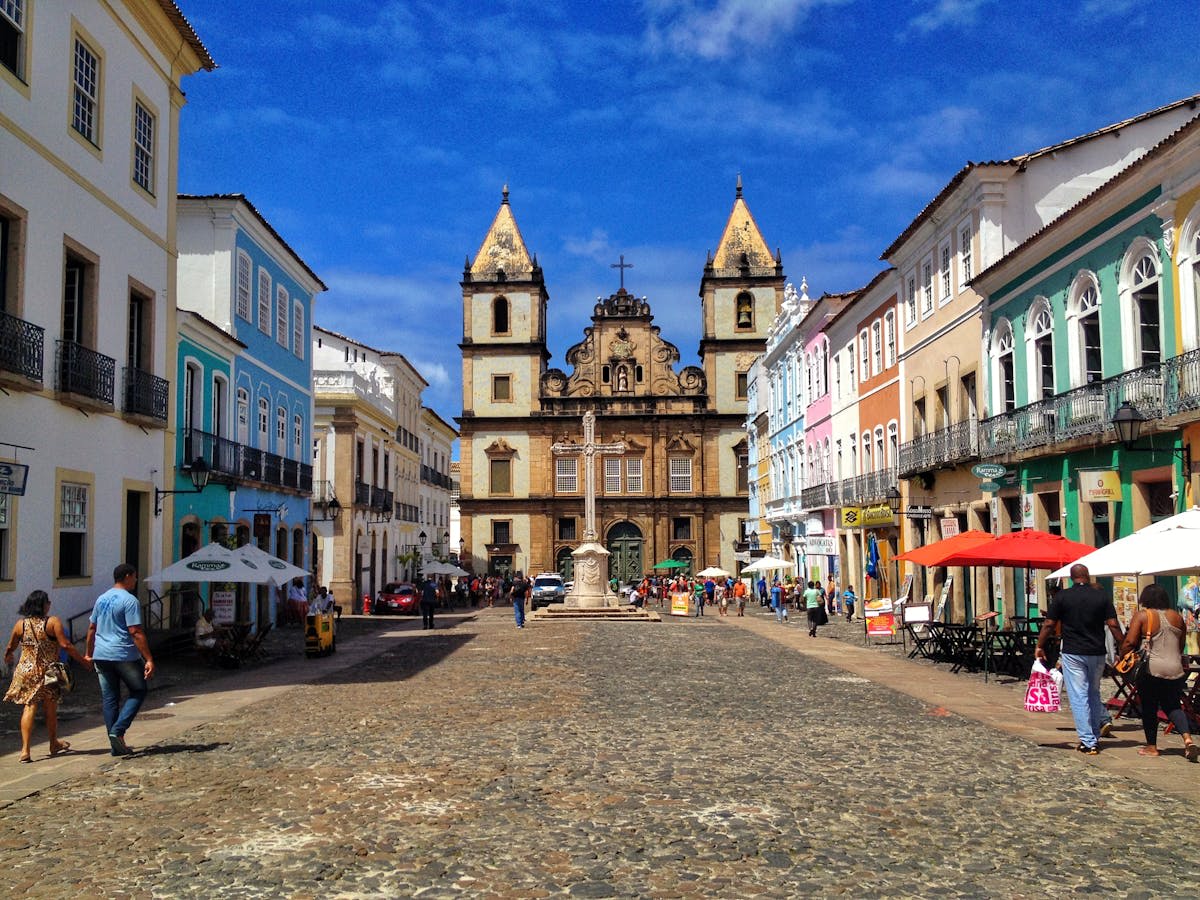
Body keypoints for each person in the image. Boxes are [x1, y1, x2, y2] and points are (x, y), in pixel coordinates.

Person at [1036, 563, 1123, 755]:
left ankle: (1088, 740)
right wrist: (1123, 646)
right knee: (1093, 693)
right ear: (1088, 576)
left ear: (1072, 577)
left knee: (1079, 695)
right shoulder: (1101, 596)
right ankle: (1093, 736)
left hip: (1073, 652)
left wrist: (1040, 645)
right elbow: (1113, 625)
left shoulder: (1063, 596)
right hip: (1097, 652)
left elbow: (1049, 624)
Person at [4, 590, 92, 762]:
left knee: (29, 707)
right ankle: (53, 743)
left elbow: (11, 646)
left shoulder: (20, 624)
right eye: (48, 602)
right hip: (49, 670)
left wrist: (8, 655)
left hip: (25, 670)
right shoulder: (52, 622)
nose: (50, 604)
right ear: (43, 605)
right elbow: (66, 645)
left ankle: (25, 750)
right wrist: (83, 661)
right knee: (50, 707)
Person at [1118, 584, 1198, 761]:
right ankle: (1187, 739)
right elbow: (1181, 643)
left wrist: (1121, 655)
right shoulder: (1177, 617)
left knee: (1149, 706)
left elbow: (1130, 642)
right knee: (1173, 705)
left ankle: (1152, 747)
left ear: (1145, 598)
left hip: (1151, 668)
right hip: (1175, 668)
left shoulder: (1143, 615)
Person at [86, 563, 155, 757]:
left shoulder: (102, 599)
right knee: (139, 690)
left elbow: (92, 628)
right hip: (123, 654)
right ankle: (119, 730)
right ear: (126, 576)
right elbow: (135, 631)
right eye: (134, 577)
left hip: (101, 654)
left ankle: (116, 743)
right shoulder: (129, 600)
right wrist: (148, 658)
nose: (135, 580)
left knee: (110, 699)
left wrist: (88, 653)